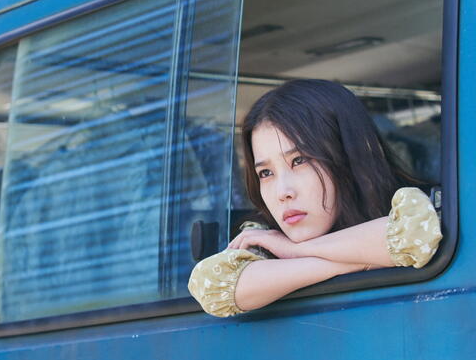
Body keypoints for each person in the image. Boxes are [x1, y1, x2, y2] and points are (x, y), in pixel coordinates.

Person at [187, 79, 442, 317]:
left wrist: (296, 251)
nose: (282, 192)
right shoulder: (266, 237)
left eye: (299, 160)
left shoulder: (417, 206)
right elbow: (212, 286)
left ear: (347, 154)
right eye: (266, 173)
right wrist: (355, 261)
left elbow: (415, 236)